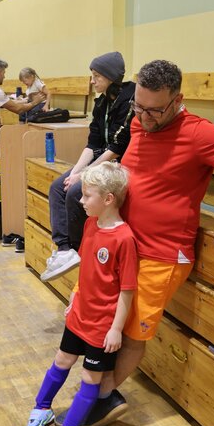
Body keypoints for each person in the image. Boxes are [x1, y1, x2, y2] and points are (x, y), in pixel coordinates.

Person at [54, 59, 214, 426]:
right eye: (138, 106)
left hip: (162, 254)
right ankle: (98, 395)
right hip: (123, 245)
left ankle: (100, 399)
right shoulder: (139, 120)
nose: (143, 117)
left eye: (154, 110)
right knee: (104, 323)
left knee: (130, 333)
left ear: (177, 100)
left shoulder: (197, 133)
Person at [26, 162, 137, 426]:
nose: (81, 200)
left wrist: (115, 329)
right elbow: (87, 269)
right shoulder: (90, 224)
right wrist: (75, 296)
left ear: (108, 199)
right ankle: (42, 406)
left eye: (87, 195)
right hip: (79, 315)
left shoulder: (124, 239)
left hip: (101, 326)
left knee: (90, 378)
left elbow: (127, 290)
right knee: (61, 361)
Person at [41, 52, 135, 282]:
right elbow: (93, 143)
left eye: (96, 76)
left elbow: (118, 146)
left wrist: (85, 174)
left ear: (110, 77)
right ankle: (64, 249)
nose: (92, 81)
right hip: (102, 160)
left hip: (118, 163)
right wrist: (75, 172)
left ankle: (78, 247)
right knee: (58, 187)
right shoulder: (101, 103)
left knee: (76, 192)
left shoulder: (129, 98)